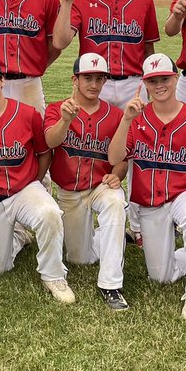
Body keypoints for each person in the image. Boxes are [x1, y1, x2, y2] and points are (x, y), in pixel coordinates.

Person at [0, 55, 73, 303]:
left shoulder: (27, 114)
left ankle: (53, 275)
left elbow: (43, 153)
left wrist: (35, 183)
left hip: (23, 189)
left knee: (49, 212)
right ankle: (18, 235)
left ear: (2, 80)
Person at [109, 54, 186, 321]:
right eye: (153, 81)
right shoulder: (136, 118)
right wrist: (126, 120)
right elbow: (114, 157)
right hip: (149, 203)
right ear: (145, 83)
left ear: (176, 79)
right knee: (161, 277)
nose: (159, 85)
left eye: (164, 78)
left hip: (184, 193)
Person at [44, 53, 129, 310]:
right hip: (69, 192)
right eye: (87, 78)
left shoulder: (115, 115)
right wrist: (65, 120)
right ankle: (109, 236)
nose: (93, 84)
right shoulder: (57, 109)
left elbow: (123, 159)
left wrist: (119, 174)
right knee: (80, 260)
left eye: (99, 79)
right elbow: (51, 141)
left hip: (100, 187)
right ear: (75, 79)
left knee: (115, 202)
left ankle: (111, 284)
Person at [51, 0, 159, 109]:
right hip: (94, 84)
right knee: (93, 135)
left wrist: (150, 83)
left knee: (135, 135)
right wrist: (68, 1)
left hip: (133, 84)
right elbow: (59, 42)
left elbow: (148, 49)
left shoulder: (144, 0)